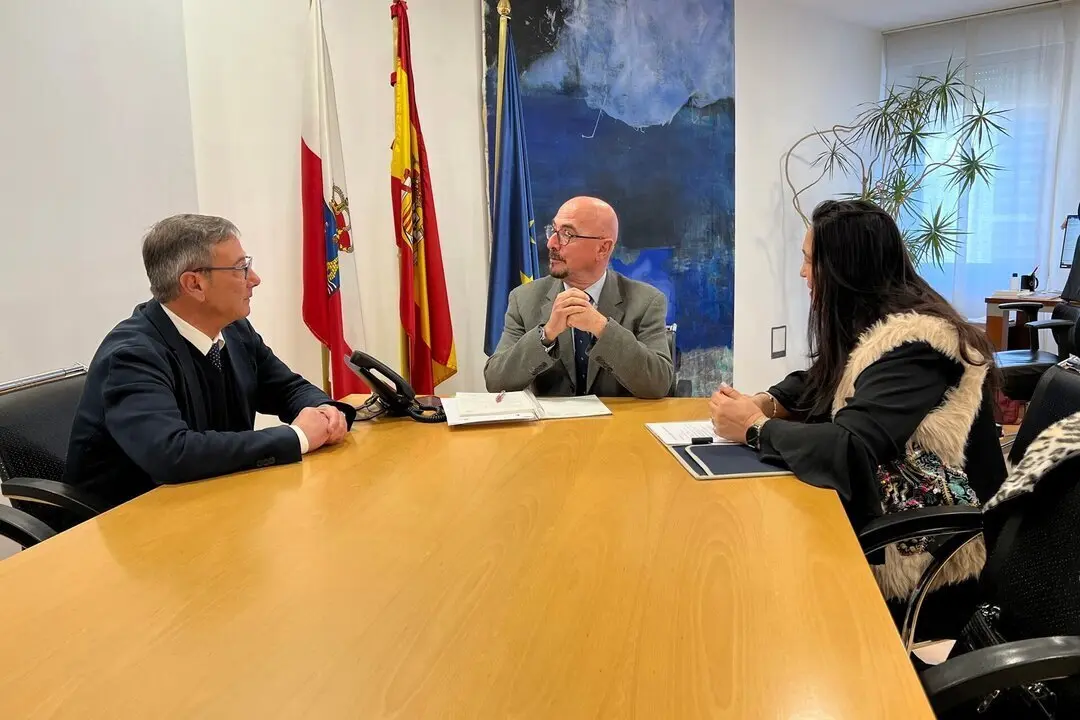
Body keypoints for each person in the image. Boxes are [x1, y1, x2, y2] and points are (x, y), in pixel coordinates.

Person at [709, 199, 1006, 636]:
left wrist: (755, 428)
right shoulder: (875, 325)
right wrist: (766, 401)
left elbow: (851, 448)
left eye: (810, 261)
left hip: (931, 547)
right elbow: (825, 380)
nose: (802, 273)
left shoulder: (919, 345)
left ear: (845, 270)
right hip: (888, 512)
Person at [64, 214, 357, 511]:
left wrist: (323, 411)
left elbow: (287, 388)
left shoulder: (234, 330)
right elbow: (172, 454)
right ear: (194, 284)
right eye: (241, 268)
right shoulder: (132, 356)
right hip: (127, 526)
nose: (254, 280)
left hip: (213, 502)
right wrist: (296, 438)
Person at [484, 196, 674, 398]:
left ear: (603, 248)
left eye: (567, 234)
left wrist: (602, 328)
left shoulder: (646, 301)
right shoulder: (524, 299)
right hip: (552, 429)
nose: (551, 243)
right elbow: (496, 381)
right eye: (553, 230)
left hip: (618, 427)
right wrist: (546, 335)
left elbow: (658, 384)